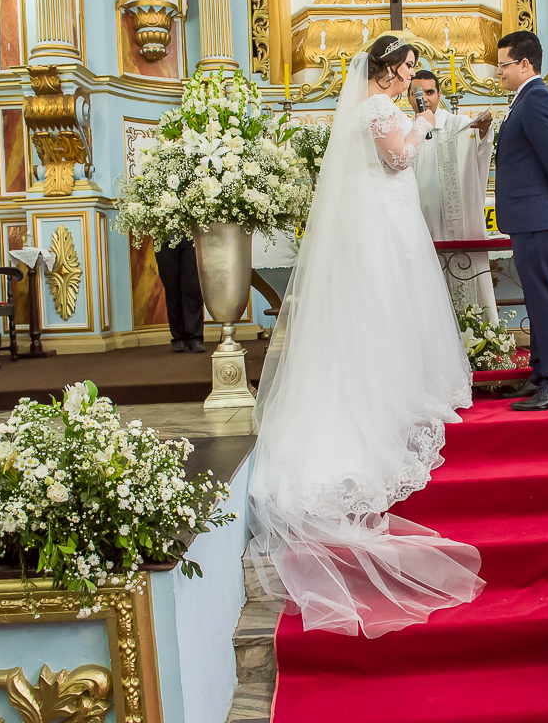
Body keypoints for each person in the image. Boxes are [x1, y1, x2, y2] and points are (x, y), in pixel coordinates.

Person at [245, 35, 484, 638]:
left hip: (390, 219)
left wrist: (420, 123)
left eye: (411, 74)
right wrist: (426, 125)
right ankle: (384, 392)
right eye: (404, 71)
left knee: (395, 306)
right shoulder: (379, 109)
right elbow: (398, 159)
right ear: (382, 70)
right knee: (384, 307)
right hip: (382, 226)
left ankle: (395, 381)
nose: (409, 80)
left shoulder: (368, 107)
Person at [493, 31, 548, 412]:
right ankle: (541, 375)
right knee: (536, 297)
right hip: (531, 217)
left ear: (525, 64)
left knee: (545, 300)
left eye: (503, 66)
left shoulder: (538, 98)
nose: (499, 73)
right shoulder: (524, 101)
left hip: (540, 216)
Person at [409, 69, 497, 319]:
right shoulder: (406, 130)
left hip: (455, 223)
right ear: (407, 97)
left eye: (429, 92)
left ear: (438, 95)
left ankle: (474, 335)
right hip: (419, 223)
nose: (424, 98)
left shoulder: (458, 124)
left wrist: (483, 129)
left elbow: (481, 144)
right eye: (417, 92)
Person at [154, 239, 205, 352]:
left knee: (193, 288)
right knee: (172, 288)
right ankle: (178, 338)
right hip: (164, 236)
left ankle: (195, 338)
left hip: (190, 237)